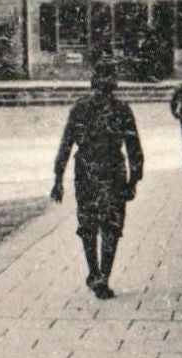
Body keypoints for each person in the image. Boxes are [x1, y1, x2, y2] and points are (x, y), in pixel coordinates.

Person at [52, 65, 144, 299]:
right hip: (111, 171)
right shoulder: (122, 109)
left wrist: (58, 178)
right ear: (114, 84)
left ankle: (95, 272)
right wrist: (134, 178)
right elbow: (134, 149)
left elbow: (66, 144)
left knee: (89, 224)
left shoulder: (80, 108)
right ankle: (102, 275)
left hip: (88, 171)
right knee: (110, 226)